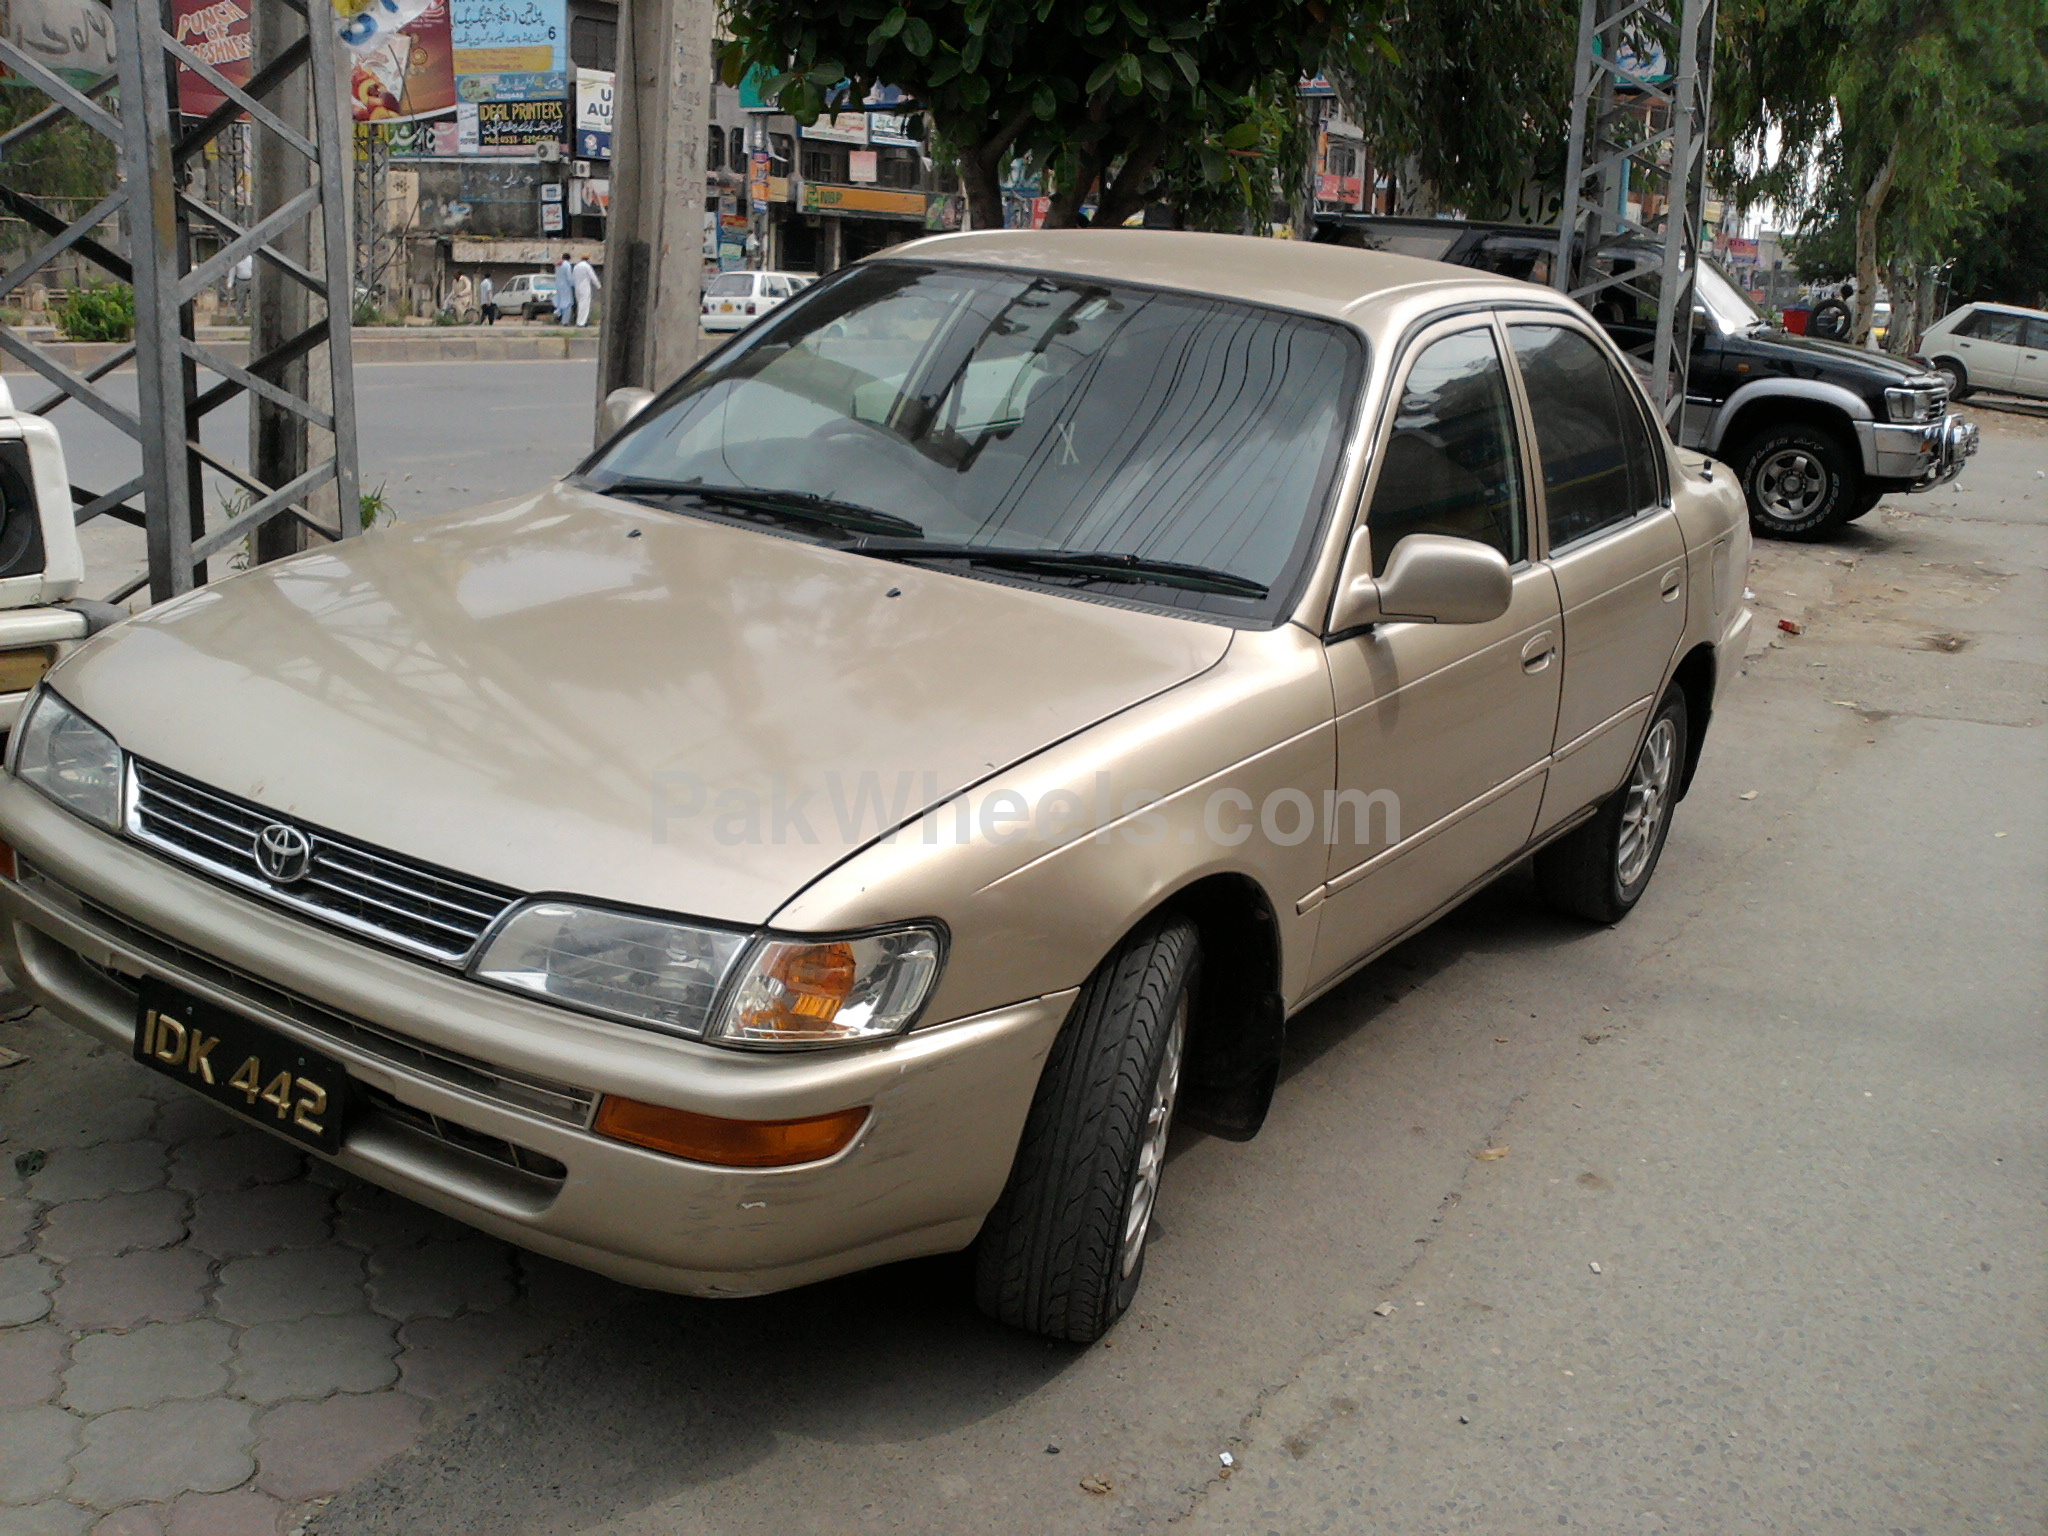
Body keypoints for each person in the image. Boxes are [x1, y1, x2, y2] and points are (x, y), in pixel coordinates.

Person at [571, 254, 601, 327]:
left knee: (580, 305)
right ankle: (582, 323)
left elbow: (573, 278)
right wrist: (599, 286)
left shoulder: (576, 266)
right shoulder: (587, 266)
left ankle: (579, 321)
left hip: (577, 288)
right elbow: (593, 277)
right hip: (585, 288)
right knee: (585, 306)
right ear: (588, 259)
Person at [553, 253, 575, 325]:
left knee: (560, 301)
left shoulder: (558, 265)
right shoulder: (567, 265)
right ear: (569, 258)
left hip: (558, 285)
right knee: (568, 303)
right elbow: (569, 277)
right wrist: (573, 284)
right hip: (566, 286)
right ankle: (565, 321)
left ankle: (558, 311)